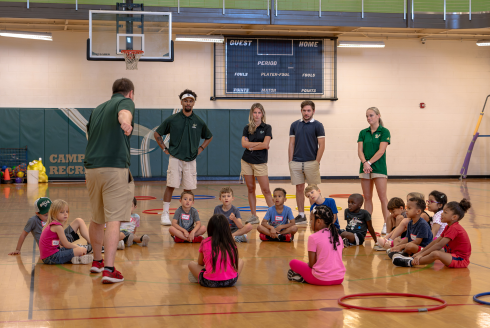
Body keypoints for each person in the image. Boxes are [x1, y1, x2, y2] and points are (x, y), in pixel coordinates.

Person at [84, 78, 136, 283]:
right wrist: (125, 121)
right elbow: (125, 112)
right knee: (113, 219)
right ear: (130, 93)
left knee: (97, 217)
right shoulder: (125, 102)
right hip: (114, 168)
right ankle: (109, 268)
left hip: (92, 168)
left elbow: (89, 135)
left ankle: (97, 262)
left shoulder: (97, 109)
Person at [154, 89, 213, 226]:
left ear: (193, 103)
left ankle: (187, 217)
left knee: (188, 189)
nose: (188, 103)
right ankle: (165, 214)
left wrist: (201, 148)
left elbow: (209, 136)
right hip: (175, 158)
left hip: (191, 159)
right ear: (181, 102)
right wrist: (164, 148)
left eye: (191, 101)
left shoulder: (198, 121)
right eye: (186, 100)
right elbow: (157, 134)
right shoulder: (173, 119)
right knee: (171, 185)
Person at [393, 199, 471, 268]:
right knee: (437, 250)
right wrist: (419, 253)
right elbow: (435, 242)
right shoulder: (448, 227)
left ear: (454, 217)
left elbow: (439, 245)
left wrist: (421, 255)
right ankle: (413, 257)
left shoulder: (454, 228)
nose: (441, 214)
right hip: (451, 255)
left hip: (460, 259)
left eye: (445, 212)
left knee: (436, 253)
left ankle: (411, 262)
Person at [9, 197, 92, 255]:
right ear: (37, 213)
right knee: (74, 248)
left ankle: (92, 244)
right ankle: (84, 248)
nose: (49, 216)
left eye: (51, 212)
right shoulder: (33, 221)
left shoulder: (54, 217)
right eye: (46, 215)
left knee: (79, 221)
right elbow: (23, 235)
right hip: (54, 246)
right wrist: (17, 249)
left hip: (62, 239)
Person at [288, 100, 325, 225]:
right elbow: (291, 144)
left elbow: (322, 145)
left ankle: (314, 214)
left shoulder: (318, 125)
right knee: (299, 188)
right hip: (296, 162)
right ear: (301, 111)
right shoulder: (294, 125)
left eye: (309, 110)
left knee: (312, 190)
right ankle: (301, 215)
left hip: (311, 162)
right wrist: (290, 161)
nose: (306, 113)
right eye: (304, 110)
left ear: (313, 111)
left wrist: (316, 162)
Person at [288, 205, 345, 285]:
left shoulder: (313, 237)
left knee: (293, 262)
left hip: (321, 279)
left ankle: (304, 278)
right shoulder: (338, 236)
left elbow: (312, 264)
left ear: (318, 222)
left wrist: (306, 265)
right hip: (339, 279)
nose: (310, 223)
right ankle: (304, 277)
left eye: (311, 220)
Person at [357, 107, 390, 234]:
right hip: (364, 168)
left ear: (378, 116)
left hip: (379, 167)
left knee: (382, 197)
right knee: (368, 197)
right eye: (367, 116)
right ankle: (367, 224)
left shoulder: (384, 131)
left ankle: (387, 224)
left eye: (371, 115)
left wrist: (369, 162)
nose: (368, 118)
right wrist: (365, 163)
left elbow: (381, 151)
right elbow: (360, 150)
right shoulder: (363, 132)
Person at [188, 214, 244, 287]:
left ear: (210, 228)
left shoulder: (205, 242)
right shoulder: (230, 242)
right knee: (240, 261)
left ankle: (204, 275)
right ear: (227, 228)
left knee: (191, 264)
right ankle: (224, 275)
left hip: (209, 282)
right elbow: (233, 262)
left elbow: (200, 263)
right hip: (231, 281)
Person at [241, 103, 273, 224]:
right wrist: (258, 145)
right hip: (246, 161)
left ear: (262, 114)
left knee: (266, 190)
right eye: (255, 112)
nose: (257, 115)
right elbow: (244, 144)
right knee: (250, 188)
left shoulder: (267, 128)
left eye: (259, 112)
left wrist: (251, 145)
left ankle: (273, 216)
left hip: (260, 162)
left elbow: (266, 144)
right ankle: (254, 216)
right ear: (251, 114)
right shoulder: (247, 128)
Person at [39, 200, 93, 265]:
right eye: (62, 212)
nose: (65, 214)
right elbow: (66, 244)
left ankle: (74, 258)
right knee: (81, 250)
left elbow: (61, 243)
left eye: (67, 211)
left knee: (77, 249)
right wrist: (78, 247)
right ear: (54, 213)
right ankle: (77, 256)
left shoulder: (53, 224)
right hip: (51, 257)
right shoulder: (58, 226)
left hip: (48, 257)